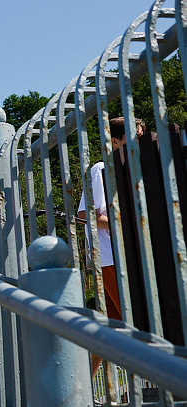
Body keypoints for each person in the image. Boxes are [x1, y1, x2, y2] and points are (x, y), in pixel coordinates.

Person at [77, 117, 143, 376]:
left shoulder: (134, 169)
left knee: (113, 326)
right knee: (135, 321)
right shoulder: (103, 169)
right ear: (115, 141)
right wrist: (126, 225)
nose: (139, 143)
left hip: (126, 256)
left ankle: (77, 386)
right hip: (110, 258)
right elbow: (86, 214)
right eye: (133, 138)